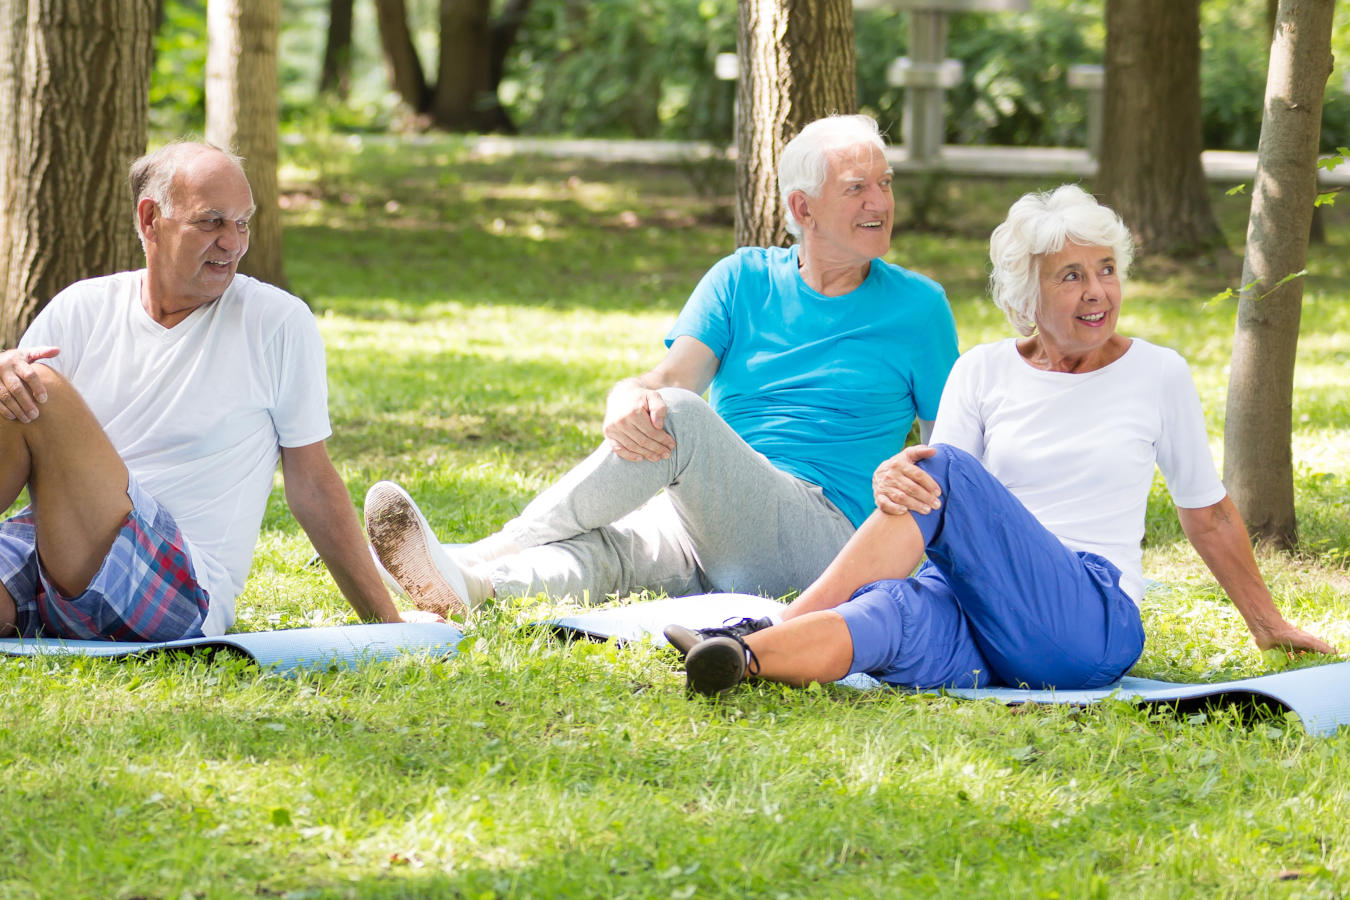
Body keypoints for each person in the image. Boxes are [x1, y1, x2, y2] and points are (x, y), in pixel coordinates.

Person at [668, 184, 1337, 696]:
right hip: (981, 608)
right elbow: (929, 505)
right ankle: (739, 662)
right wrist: (893, 478)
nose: (1097, 290)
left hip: (1088, 617)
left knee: (944, 470)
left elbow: (1209, 512)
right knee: (888, 610)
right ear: (1027, 294)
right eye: (1070, 275)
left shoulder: (1157, 373)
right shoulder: (983, 369)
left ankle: (778, 625)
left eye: (1106, 269)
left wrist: (1267, 623)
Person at [365, 114, 960, 617]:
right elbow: (666, 382)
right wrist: (624, 398)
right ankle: (472, 587)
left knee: (678, 418)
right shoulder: (741, 279)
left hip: (824, 538)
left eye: (885, 184)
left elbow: (950, 454)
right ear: (803, 207)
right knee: (611, 550)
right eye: (858, 188)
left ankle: (487, 550)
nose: (880, 202)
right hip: (715, 519)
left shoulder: (919, 307)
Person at [0, 141, 436, 641]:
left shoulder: (276, 322)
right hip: (50, 551)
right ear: (150, 220)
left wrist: (389, 624)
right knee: (11, 381)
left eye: (242, 222)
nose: (234, 243)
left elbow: (312, 484)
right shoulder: (81, 308)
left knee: (34, 383)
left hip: (179, 585)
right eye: (212, 222)